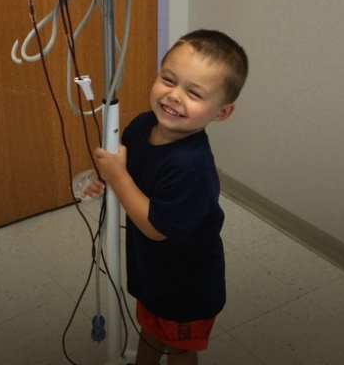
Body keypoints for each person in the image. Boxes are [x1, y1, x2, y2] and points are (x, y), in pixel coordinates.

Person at [84, 29, 248, 365]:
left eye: (194, 93)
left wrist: (117, 176)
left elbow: (156, 226)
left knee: (178, 347)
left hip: (186, 285)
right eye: (168, 79)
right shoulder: (143, 126)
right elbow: (121, 165)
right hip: (153, 273)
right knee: (151, 329)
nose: (174, 96)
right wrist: (101, 176)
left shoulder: (190, 167)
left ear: (221, 112)